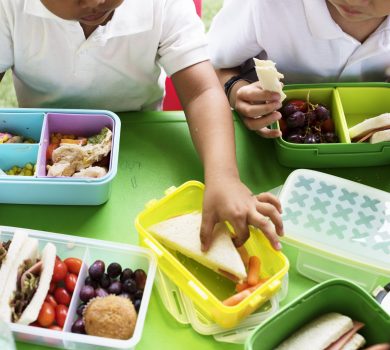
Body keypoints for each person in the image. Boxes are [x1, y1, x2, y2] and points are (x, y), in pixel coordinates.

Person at [0, 0, 284, 251]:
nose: (96, 2)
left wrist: (224, 177)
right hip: (42, 160)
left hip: (144, 142)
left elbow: (202, 92)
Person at [207, 0, 390, 138]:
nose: (354, 1)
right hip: (262, 141)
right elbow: (208, 65)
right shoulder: (268, 6)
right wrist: (234, 89)